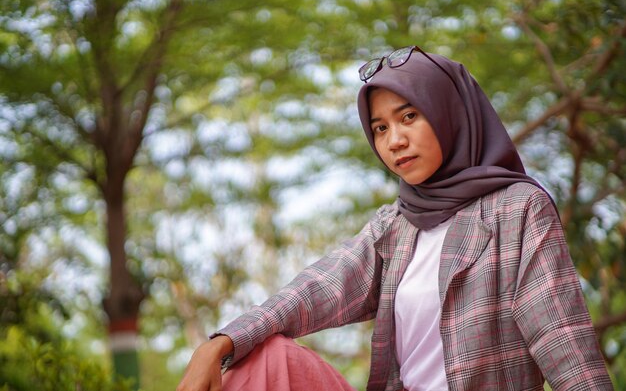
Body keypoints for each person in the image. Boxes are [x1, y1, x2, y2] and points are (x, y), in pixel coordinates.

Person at [177, 46, 613, 391]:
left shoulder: (516, 209)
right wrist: (221, 343)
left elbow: (561, 340)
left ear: (450, 115)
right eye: (380, 128)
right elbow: (315, 290)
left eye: (409, 117)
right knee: (267, 360)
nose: (395, 141)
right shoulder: (395, 227)